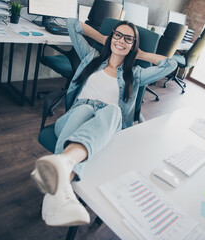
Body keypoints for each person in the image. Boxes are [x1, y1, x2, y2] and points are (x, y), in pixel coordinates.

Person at [31, 18, 177, 227]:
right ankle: (64, 171)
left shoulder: (135, 74)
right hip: (75, 116)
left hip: (107, 126)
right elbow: (73, 24)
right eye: (118, 35)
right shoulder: (91, 57)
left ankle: (61, 172)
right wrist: (106, 39)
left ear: (133, 44)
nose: (121, 40)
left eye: (128, 39)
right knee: (85, 108)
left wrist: (139, 53)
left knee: (113, 110)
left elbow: (170, 64)